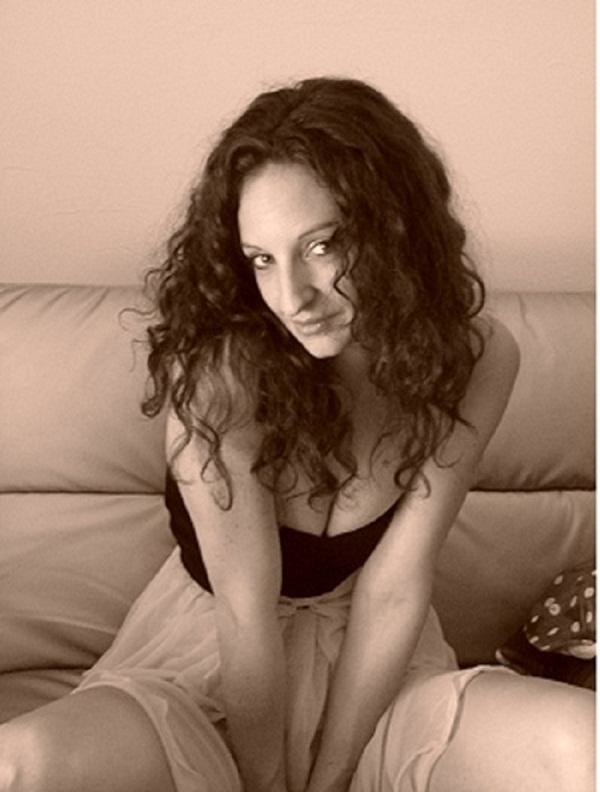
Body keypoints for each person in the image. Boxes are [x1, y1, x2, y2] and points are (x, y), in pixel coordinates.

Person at [0, 77, 593, 792]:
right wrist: (271, 783)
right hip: (209, 662)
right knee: (20, 763)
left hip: (380, 671)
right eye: (262, 259)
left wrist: (334, 776)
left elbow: (394, 588)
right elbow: (244, 609)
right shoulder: (222, 378)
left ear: (395, 225)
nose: (292, 298)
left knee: (582, 745)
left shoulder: (476, 358)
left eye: (322, 246)